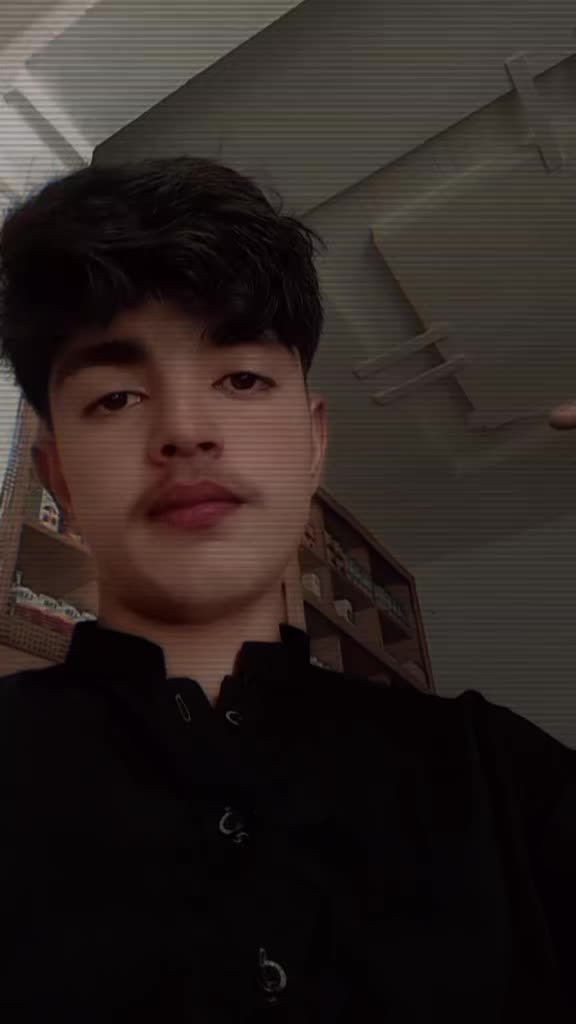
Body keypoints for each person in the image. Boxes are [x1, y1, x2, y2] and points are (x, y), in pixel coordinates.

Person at [0, 157, 573, 1022]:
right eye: (115, 397)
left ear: (313, 445)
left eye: (241, 379)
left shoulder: (495, 771)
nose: (185, 431)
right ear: (60, 482)